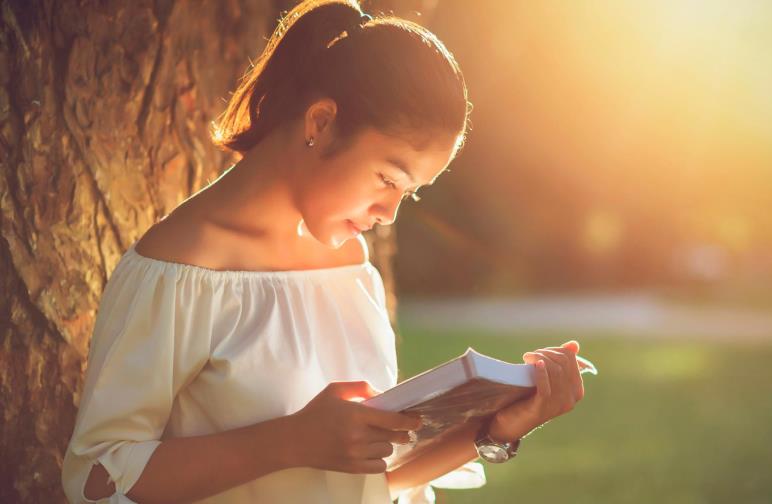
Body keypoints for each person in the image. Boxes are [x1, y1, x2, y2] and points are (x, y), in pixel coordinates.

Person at [61, 1, 585, 502]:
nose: (390, 212)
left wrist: (497, 429)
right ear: (320, 123)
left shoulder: (352, 267)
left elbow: (371, 481)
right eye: (387, 178)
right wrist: (288, 442)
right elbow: (96, 474)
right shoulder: (181, 270)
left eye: (410, 192)